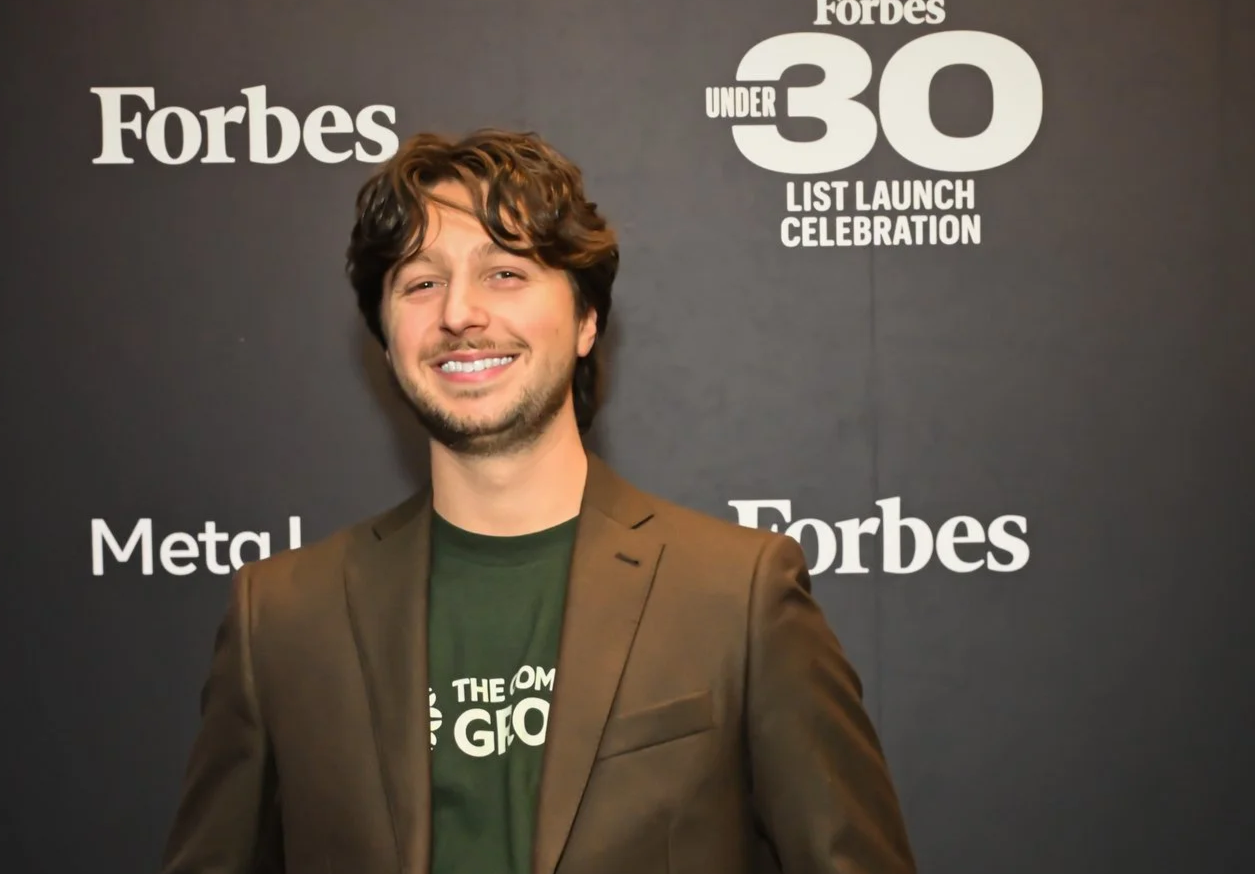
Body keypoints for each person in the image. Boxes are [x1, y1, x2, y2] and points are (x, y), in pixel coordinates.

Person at [158, 129, 917, 874]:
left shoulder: (738, 595)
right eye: (421, 282)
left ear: (586, 320)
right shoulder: (282, 617)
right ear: (386, 340)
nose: (458, 313)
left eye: (505, 273)